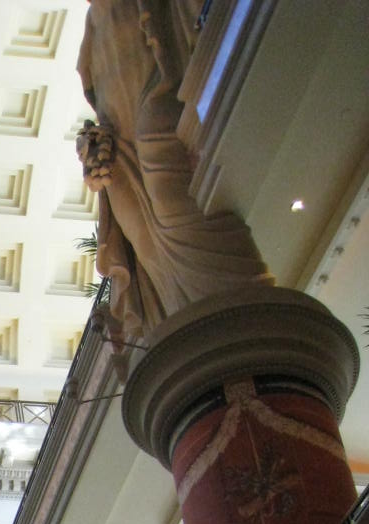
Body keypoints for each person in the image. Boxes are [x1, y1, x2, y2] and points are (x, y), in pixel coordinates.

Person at [76, 0, 270, 344]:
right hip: (122, 164)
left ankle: (252, 318)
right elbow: (106, 110)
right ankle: (192, 339)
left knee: (181, 216)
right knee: (151, 258)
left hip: (162, 123)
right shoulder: (90, 33)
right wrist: (93, 149)